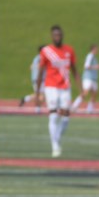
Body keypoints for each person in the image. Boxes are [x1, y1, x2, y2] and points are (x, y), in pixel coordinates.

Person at [35, 25, 78, 158]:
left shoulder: (69, 50)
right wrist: (38, 93)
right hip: (51, 87)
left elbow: (75, 70)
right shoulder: (46, 51)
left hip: (65, 87)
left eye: (59, 35)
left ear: (62, 36)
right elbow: (41, 72)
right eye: (55, 35)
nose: (58, 37)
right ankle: (55, 146)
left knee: (66, 117)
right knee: (53, 115)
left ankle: (57, 137)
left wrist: (81, 89)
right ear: (52, 36)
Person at [71, 44, 99, 113]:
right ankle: (74, 106)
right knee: (85, 92)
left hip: (93, 78)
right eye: (96, 49)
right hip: (88, 78)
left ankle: (90, 108)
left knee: (94, 93)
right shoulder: (90, 56)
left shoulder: (94, 57)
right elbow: (86, 66)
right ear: (93, 49)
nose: (97, 50)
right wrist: (96, 67)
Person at [19, 46, 45, 112]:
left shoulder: (36, 58)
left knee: (39, 94)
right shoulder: (41, 58)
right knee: (41, 96)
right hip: (39, 79)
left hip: (35, 78)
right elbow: (39, 67)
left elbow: (30, 67)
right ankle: (37, 108)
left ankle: (25, 99)